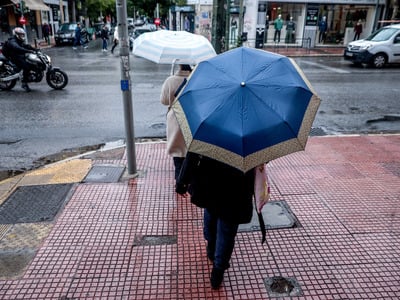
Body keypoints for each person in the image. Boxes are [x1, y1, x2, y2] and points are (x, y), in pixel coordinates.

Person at [176, 152, 255, 289]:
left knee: (212, 212)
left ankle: (212, 246)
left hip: (211, 181)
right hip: (238, 186)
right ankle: (218, 270)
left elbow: (194, 153)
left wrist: (182, 180)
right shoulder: (255, 132)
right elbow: (262, 159)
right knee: (227, 230)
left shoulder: (209, 130)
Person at [160, 64, 192, 182]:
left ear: (179, 65)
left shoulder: (170, 80)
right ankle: (190, 184)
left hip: (175, 119)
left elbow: (163, 101)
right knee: (191, 154)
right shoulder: (196, 78)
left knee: (178, 153)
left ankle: (179, 183)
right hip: (193, 119)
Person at [1, 27, 36, 92]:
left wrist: (34, 49)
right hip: (13, 57)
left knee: (31, 63)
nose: (22, 36)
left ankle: (28, 75)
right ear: (17, 34)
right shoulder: (12, 41)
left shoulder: (19, 40)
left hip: (17, 55)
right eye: (21, 34)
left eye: (23, 34)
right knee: (26, 67)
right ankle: (24, 83)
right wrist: (28, 51)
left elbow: (25, 45)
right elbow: (17, 48)